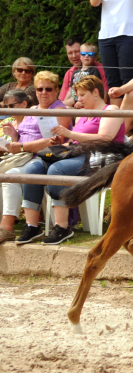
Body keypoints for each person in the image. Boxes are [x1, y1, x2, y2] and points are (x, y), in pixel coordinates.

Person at [20, 76, 125, 245]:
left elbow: (105, 138)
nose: (79, 100)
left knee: (57, 170)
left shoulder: (111, 109)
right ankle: (31, 226)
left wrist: (70, 134)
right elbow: (75, 142)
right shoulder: (83, 115)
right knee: (33, 169)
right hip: (77, 154)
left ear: (96, 92)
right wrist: (62, 142)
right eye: (77, 96)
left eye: (83, 95)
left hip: (99, 157)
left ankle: (62, 227)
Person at [0, 71, 71, 244]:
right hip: (22, 154)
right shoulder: (31, 109)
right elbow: (25, 136)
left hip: (42, 157)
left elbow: (53, 142)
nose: (44, 92)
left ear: (56, 90)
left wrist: (21, 146)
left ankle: (7, 227)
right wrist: (14, 136)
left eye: (48, 89)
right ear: (36, 91)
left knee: (11, 176)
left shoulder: (60, 111)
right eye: (40, 89)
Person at [59, 37, 107, 106]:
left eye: (76, 52)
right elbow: (64, 98)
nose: (74, 56)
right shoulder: (70, 72)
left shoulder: (99, 69)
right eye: (70, 53)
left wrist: (77, 100)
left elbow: (103, 98)